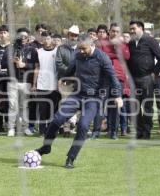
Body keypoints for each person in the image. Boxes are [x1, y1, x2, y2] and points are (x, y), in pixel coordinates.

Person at [35, 37, 122, 169]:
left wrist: (117, 96)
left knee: (83, 125)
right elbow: (71, 68)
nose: (80, 51)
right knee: (57, 119)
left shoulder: (102, 58)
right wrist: (64, 79)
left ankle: (71, 158)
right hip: (77, 94)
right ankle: (46, 146)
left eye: (83, 49)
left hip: (94, 98)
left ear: (92, 46)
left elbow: (113, 78)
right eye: (79, 48)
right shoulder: (78, 55)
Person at [127, 20, 160, 139]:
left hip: (147, 78)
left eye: (134, 28)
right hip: (133, 79)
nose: (132, 31)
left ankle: (147, 132)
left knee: (147, 106)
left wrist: (155, 72)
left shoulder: (150, 41)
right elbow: (128, 60)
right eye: (131, 29)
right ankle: (139, 131)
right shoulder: (131, 43)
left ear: (141, 28)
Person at [2, 27, 39, 137]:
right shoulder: (10, 48)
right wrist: (12, 61)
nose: (23, 38)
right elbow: (3, 64)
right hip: (12, 81)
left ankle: (25, 127)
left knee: (24, 106)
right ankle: (11, 128)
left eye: (25, 36)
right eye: (21, 36)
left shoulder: (32, 50)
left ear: (28, 37)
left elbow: (36, 66)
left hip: (26, 82)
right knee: (13, 106)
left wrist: (25, 65)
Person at [34, 32, 60, 135]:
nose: (46, 41)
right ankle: (41, 131)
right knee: (42, 110)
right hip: (41, 85)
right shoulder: (39, 52)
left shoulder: (57, 51)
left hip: (54, 85)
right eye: (44, 39)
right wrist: (34, 84)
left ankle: (51, 131)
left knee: (53, 110)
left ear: (52, 39)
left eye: (48, 38)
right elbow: (37, 68)